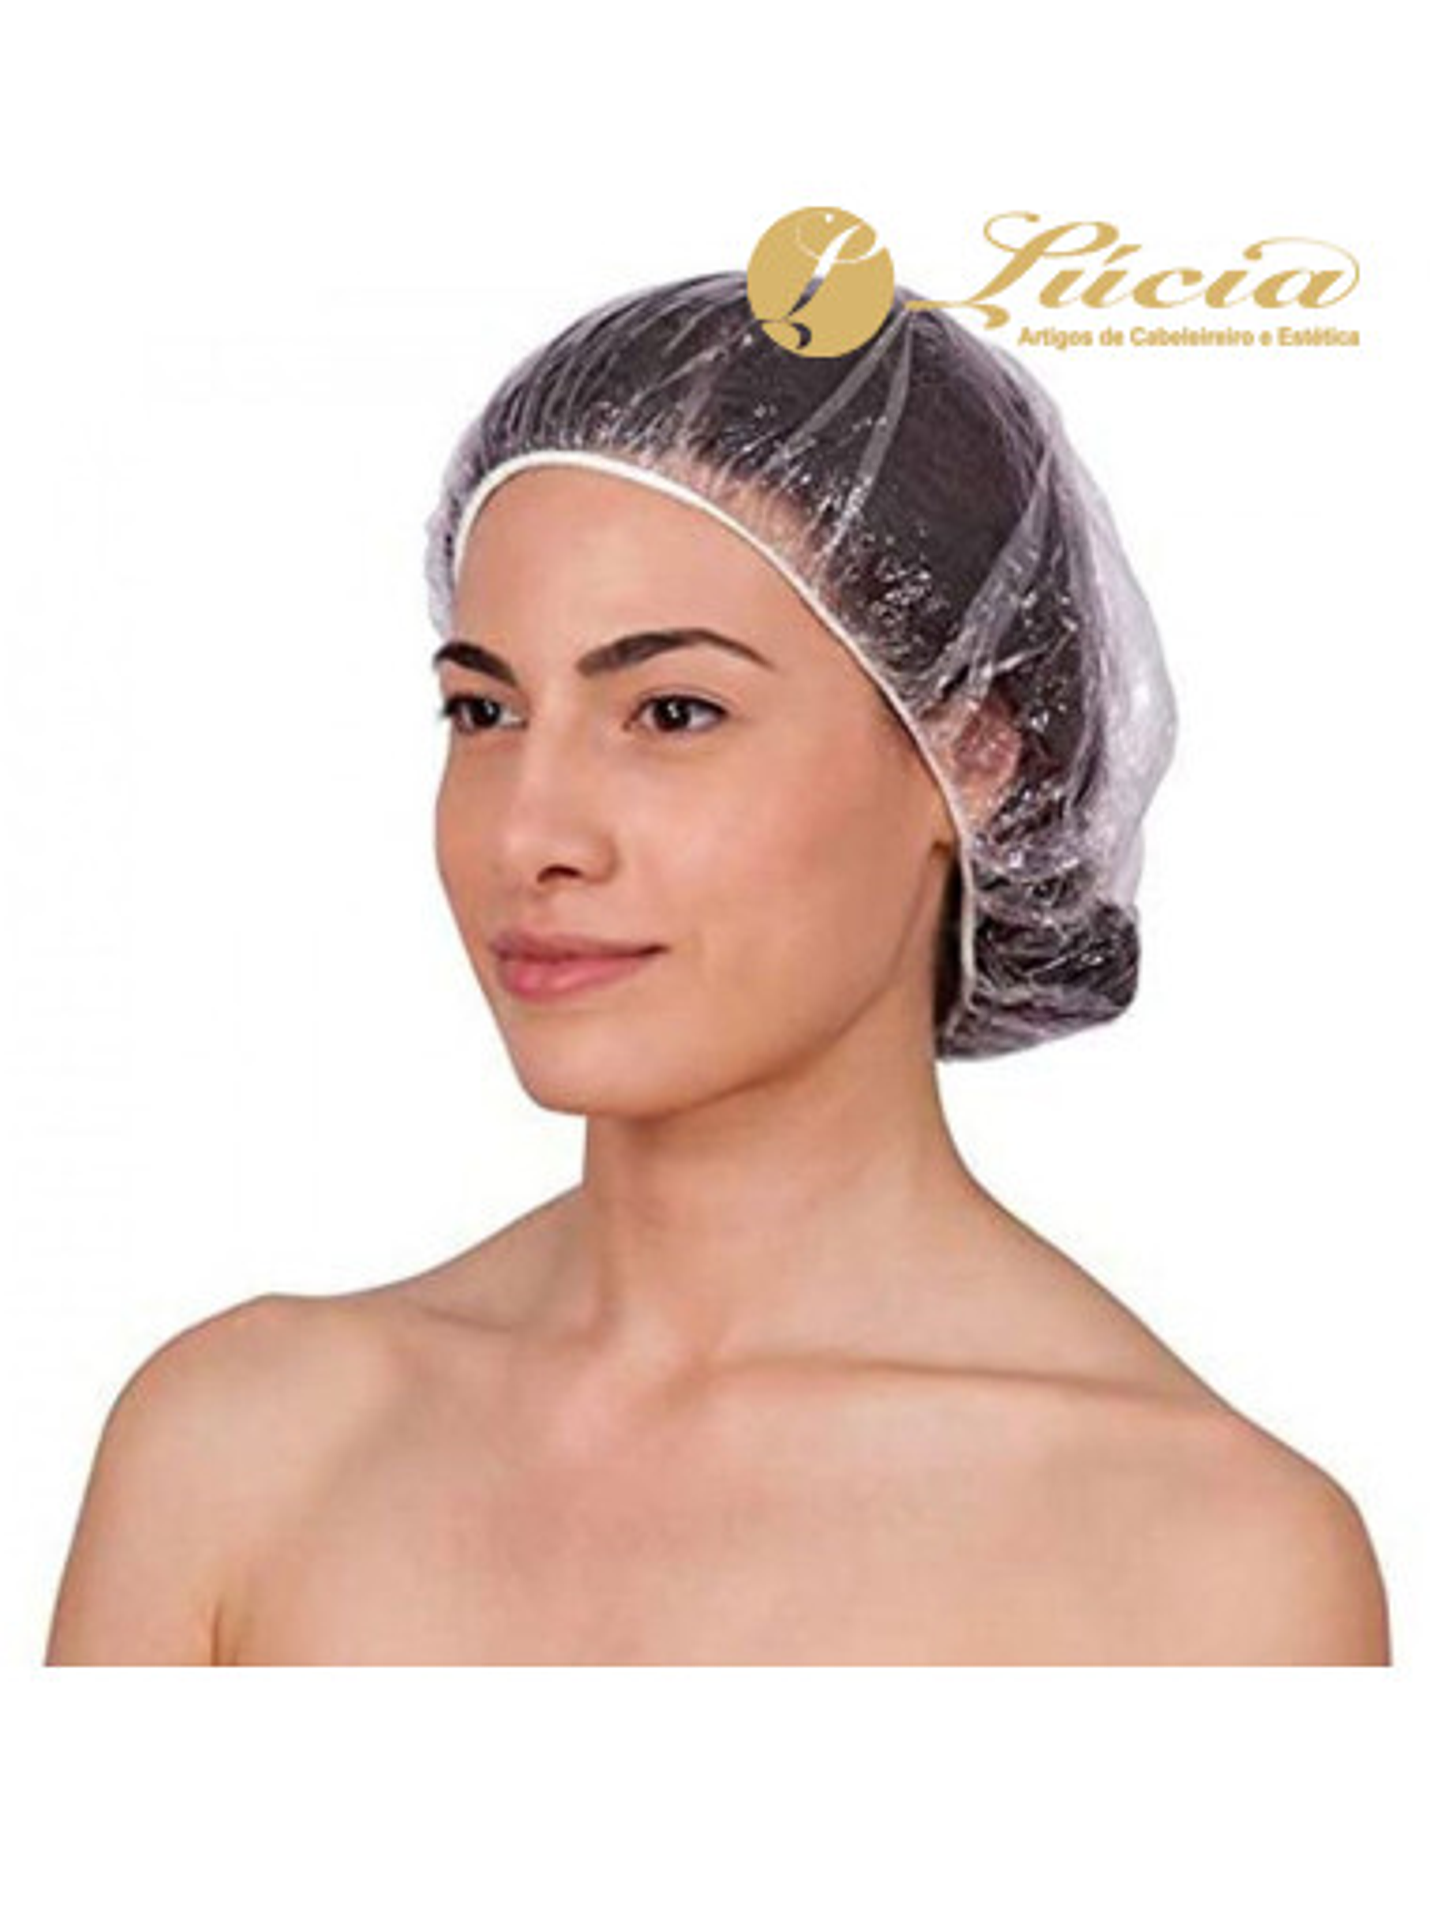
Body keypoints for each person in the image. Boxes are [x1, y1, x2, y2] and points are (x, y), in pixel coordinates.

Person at [45, 272, 1391, 1664]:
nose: (530, 833)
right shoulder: (240, 1450)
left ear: (972, 758)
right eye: (485, 710)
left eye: (673, 711)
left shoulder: (1206, 1566)